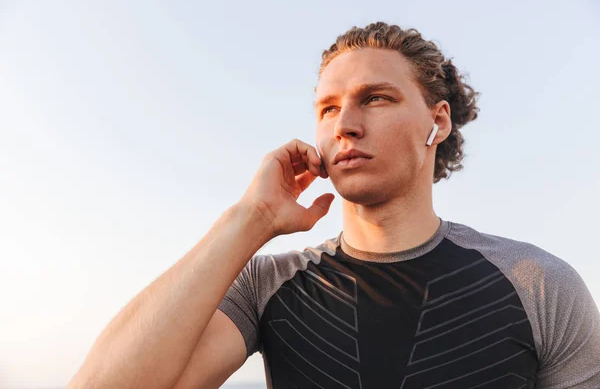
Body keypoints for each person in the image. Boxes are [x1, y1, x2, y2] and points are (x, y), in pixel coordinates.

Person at [68, 22, 600, 389]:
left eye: (375, 98)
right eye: (327, 107)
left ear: (437, 123)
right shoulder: (266, 285)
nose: (344, 123)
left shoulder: (538, 285)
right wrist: (247, 220)